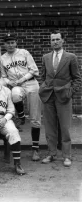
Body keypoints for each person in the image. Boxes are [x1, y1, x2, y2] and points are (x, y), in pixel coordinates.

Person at [39, 30, 81, 167]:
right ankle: (51, 153)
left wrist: (70, 92)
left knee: (65, 127)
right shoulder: (45, 57)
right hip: (48, 96)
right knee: (50, 127)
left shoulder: (71, 57)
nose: (55, 42)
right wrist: (43, 88)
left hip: (64, 96)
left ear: (63, 40)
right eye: (52, 40)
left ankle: (67, 155)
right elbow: (43, 76)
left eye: (57, 39)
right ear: (50, 42)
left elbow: (77, 78)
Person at [0, 33, 42, 161]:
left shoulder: (24, 52)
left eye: (12, 42)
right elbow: (3, 76)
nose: (10, 45)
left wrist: (22, 79)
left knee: (35, 118)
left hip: (31, 83)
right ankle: (22, 117)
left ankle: (35, 149)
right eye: (8, 43)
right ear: (4, 45)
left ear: (16, 43)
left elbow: (34, 70)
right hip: (17, 86)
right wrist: (8, 82)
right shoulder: (2, 58)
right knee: (15, 94)